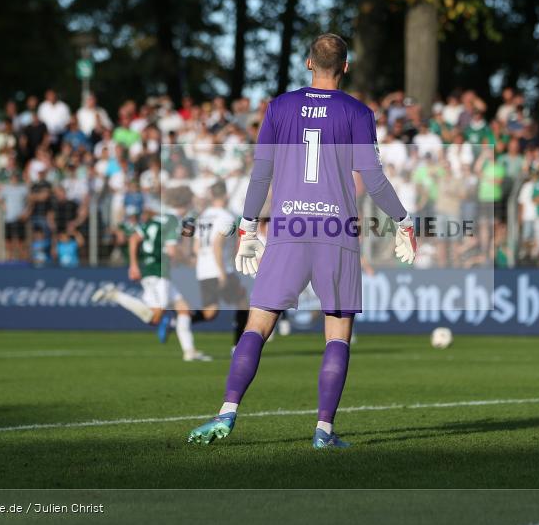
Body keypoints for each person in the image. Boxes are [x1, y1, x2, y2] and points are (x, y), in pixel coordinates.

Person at [187, 34, 417, 449]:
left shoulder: (280, 107)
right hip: (336, 231)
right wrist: (404, 220)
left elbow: (261, 173)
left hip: (287, 229)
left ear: (309, 63)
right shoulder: (358, 112)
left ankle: (226, 412)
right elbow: (374, 179)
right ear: (345, 67)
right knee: (337, 333)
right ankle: (323, 431)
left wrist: (247, 227)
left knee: (257, 326)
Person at [92, 197, 209, 361]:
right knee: (154, 317)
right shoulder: (172, 221)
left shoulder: (151, 222)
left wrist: (133, 265)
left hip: (153, 270)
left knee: (184, 309)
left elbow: (134, 239)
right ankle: (115, 295)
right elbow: (172, 251)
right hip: (158, 273)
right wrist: (188, 260)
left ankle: (189, 351)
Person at [192, 181, 250, 346]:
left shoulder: (203, 217)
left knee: (210, 312)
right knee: (243, 303)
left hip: (203, 270)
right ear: (226, 195)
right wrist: (222, 273)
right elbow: (217, 245)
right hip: (220, 269)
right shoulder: (226, 217)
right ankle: (237, 346)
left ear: (211, 195)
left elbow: (196, 247)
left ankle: (177, 321)